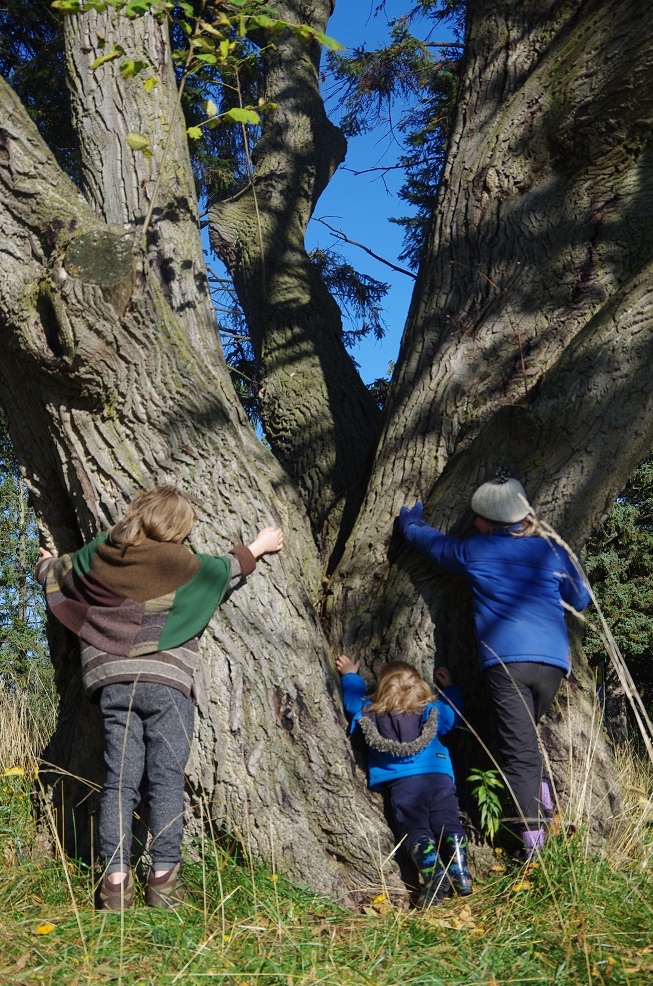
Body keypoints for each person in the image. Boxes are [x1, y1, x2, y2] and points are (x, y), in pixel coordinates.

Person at [36, 485, 283, 911]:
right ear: (179, 527)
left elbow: (60, 573)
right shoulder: (181, 562)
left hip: (113, 683)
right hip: (167, 683)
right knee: (166, 779)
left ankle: (114, 883)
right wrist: (258, 547)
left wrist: (43, 567)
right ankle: (163, 882)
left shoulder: (100, 552)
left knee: (119, 781)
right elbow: (224, 570)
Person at [397, 470, 592, 858]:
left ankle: (534, 850)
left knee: (518, 752)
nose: (473, 522)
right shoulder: (549, 550)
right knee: (524, 744)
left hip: (507, 667)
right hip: (553, 665)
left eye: (479, 517)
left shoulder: (476, 551)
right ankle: (545, 815)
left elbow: (436, 546)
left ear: (494, 521)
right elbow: (582, 599)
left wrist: (410, 524)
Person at [336, 654, 472, 906]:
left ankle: (434, 877)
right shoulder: (431, 711)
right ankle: (460, 872)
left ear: (381, 689)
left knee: (415, 828)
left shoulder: (369, 712)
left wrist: (350, 675)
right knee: (447, 821)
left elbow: (352, 701)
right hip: (439, 777)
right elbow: (454, 715)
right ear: (420, 686)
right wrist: (450, 688)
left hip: (403, 785)